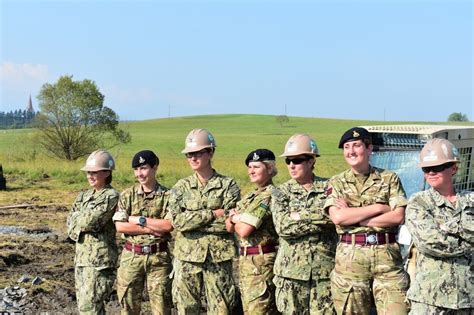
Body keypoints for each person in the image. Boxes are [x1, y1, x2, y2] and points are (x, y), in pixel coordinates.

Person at [324, 127, 409, 315]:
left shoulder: (389, 179)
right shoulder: (336, 182)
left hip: (387, 261)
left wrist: (354, 218)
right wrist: (379, 208)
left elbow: (398, 216)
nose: (351, 151)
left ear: (369, 148)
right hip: (350, 263)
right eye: (346, 147)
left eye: (356, 145)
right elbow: (338, 217)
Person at [168, 128, 241, 314]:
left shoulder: (228, 185)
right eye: (189, 155)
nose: (192, 158)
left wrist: (194, 219)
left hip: (218, 257)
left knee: (221, 309)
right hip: (187, 257)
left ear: (210, 152)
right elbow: (178, 222)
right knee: (187, 309)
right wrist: (212, 214)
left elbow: (228, 223)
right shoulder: (181, 187)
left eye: (197, 153)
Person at [271, 134, 337, 315]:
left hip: (324, 273)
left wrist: (298, 215)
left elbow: (335, 219)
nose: (291, 165)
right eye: (288, 161)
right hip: (291, 274)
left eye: (298, 160)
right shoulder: (280, 192)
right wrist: (320, 217)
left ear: (311, 160)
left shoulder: (331, 187)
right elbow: (284, 227)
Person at [405, 138, 473, 314]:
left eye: (438, 167)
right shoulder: (418, 202)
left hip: (468, 299)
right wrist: (469, 242)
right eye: (426, 169)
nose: (431, 172)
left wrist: (446, 228)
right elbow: (430, 243)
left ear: (453, 168)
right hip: (430, 299)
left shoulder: (470, 200)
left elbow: (442, 239)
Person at [113, 150, 173, 315]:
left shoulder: (169, 196)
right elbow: (120, 227)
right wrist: (151, 227)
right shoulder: (127, 195)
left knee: (162, 308)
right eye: (136, 169)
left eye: (144, 168)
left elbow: (167, 225)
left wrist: (137, 219)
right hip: (132, 257)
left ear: (155, 168)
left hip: (159, 259)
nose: (140, 174)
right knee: (128, 308)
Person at [225, 149, 280, 315]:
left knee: (260, 310)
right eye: (250, 167)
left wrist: (235, 217)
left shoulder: (270, 194)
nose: (251, 171)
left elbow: (244, 230)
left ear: (269, 169)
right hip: (246, 262)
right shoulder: (251, 196)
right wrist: (236, 218)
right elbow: (228, 226)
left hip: (261, 263)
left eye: (256, 167)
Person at [67, 150, 119, 314]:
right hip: (82, 259)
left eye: (95, 172)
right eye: (89, 172)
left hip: (99, 263)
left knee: (91, 308)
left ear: (107, 172)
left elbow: (89, 221)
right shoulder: (84, 196)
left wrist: (79, 219)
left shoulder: (111, 196)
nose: (90, 176)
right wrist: (78, 222)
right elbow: (70, 222)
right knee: (85, 308)